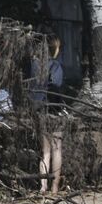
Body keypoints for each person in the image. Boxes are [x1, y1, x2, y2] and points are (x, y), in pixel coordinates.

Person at [30, 34, 66, 194]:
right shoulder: (56, 66)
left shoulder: (34, 65)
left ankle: (42, 186)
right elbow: (57, 85)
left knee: (44, 151)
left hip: (40, 109)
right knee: (56, 149)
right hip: (55, 110)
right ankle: (55, 187)